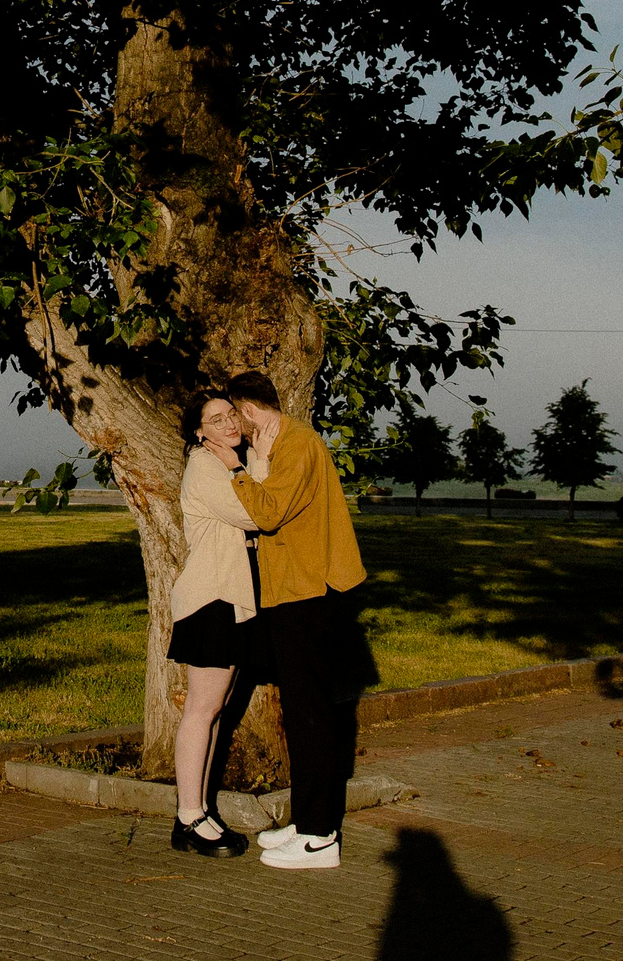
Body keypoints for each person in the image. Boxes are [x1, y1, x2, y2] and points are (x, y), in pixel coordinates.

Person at [226, 369, 368, 871]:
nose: (235, 428)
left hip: (308, 594)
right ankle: (308, 819)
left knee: (311, 716)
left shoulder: (297, 445)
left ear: (248, 410)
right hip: (296, 592)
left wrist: (241, 470)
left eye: (236, 416)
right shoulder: (287, 443)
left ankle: (319, 836)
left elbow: (267, 514)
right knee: (303, 713)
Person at [164, 393, 265, 858]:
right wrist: (243, 465)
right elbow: (255, 513)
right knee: (202, 709)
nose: (229, 424)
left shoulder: (226, 464)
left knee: (213, 708)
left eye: (232, 416)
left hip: (229, 599)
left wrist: (248, 461)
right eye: (216, 419)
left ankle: (199, 812)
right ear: (199, 432)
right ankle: (189, 818)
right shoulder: (206, 466)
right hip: (211, 601)